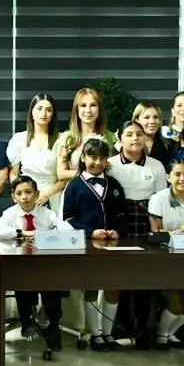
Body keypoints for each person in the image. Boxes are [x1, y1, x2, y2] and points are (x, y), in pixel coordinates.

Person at [61, 138, 127, 351]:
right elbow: (69, 218)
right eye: (92, 157)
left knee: (113, 286)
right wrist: (91, 232)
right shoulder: (74, 186)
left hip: (114, 245)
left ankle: (108, 334)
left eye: (102, 158)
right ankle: (95, 335)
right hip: (89, 244)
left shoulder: (114, 185)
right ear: (83, 158)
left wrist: (118, 229)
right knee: (92, 286)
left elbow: (121, 214)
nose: (97, 162)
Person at [0, 175, 65, 351]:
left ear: (37, 193)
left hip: (45, 266)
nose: (24, 197)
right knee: (21, 282)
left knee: (53, 284)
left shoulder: (47, 214)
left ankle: (54, 325)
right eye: (19, 193)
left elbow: (64, 230)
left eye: (28, 192)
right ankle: (26, 321)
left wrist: (44, 235)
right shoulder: (10, 214)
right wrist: (22, 232)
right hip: (19, 264)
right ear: (14, 197)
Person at [147, 159, 184, 350]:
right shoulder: (158, 199)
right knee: (175, 304)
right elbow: (155, 235)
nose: (183, 179)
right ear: (168, 177)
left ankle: (169, 333)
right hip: (162, 256)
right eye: (178, 174)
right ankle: (161, 335)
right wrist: (176, 233)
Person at [106, 120, 166, 242]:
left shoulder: (156, 165)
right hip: (117, 219)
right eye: (129, 135)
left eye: (139, 134)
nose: (135, 138)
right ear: (119, 138)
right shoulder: (109, 164)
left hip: (147, 219)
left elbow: (162, 199)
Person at [7, 92, 64, 211]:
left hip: (53, 195)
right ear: (32, 112)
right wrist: (21, 191)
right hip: (26, 195)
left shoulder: (61, 139)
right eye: (39, 109)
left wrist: (47, 194)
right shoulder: (19, 139)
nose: (43, 114)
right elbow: (13, 173)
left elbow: (63, 179)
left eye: (49, 110)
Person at [55, 87, 117, 191]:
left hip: (104, 192)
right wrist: (89, 172)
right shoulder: (67, 138)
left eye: (93, 105)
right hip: (75, 193)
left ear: (99, 109)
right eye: (83, 105)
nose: (88, 110)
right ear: (77, 109)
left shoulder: (111, 137)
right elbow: (61, 174)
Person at [133, 101, 178, 168]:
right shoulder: (126, 145)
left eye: (156, 117)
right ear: (137, 120)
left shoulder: (172, 146)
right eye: (147, 117)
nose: (152, 121)